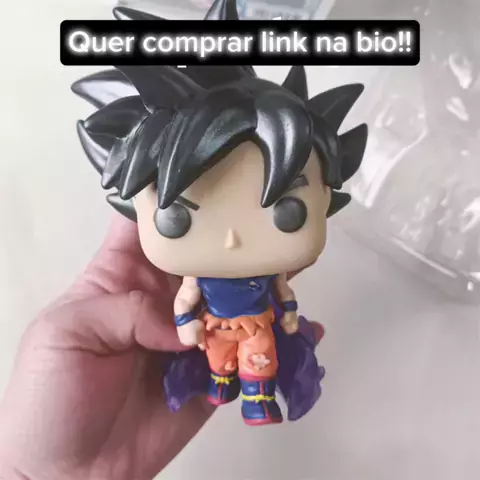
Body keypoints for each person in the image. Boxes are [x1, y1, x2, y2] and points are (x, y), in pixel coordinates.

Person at [0, 214, 324, 480]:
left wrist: (289, 315)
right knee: (220, 361)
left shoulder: (270, 262)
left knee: (260, 360)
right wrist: (184, 324)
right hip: (215, 327)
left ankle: (258, 400)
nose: (232, 237)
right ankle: (221, 384)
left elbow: (283, 290)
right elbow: (185, 298)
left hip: (257, 324)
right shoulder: (197, 268)